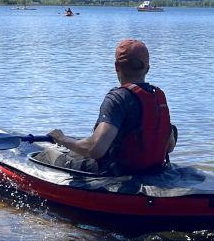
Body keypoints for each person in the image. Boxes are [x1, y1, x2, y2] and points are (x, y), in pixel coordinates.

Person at [44, 39, 176, 175]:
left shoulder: (117, 99)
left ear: (116, 67)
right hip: (151, 170)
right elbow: (170, 146)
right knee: (74, 151)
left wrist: (63, 139)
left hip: (115, 173)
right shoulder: (158, 97)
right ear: (147, 69)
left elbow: (95, 149)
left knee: (47, 155)